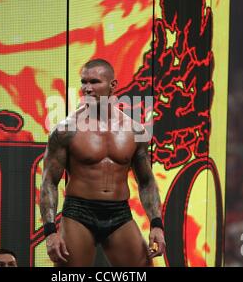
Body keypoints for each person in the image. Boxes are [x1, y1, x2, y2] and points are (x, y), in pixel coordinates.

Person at [40, 59, 166, 267]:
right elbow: (49, 183)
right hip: (78, 213)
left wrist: (156, 224)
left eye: (95, 82)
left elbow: (147, 182)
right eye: (84, 82)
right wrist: (50, 232)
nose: (87, 89)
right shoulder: (65, 131)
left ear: (113, 86)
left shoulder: (135, 132)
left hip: (119, 214)